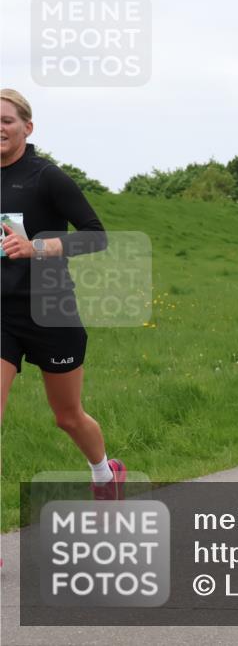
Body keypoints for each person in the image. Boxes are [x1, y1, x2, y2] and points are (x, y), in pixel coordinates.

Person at [0, 89, 126, 500]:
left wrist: (36, 247)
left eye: (6, 121)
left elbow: (96, 237)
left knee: (68, 416)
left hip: (50, 307)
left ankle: (105, 472)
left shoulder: (46, 177)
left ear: (27, 127)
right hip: (2, 312)